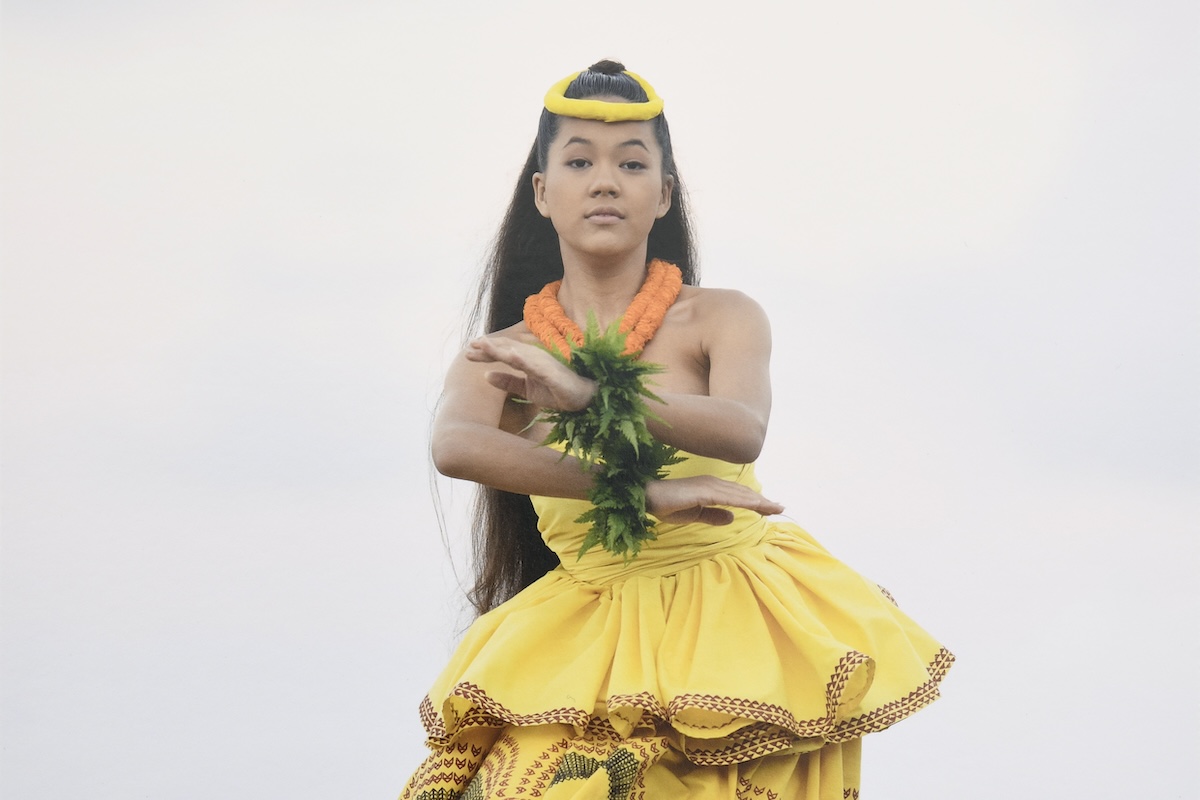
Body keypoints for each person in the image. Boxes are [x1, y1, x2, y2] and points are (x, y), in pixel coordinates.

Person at [400, 60, 952, 800]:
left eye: (632, 163)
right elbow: (456, 445)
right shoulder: (508, 353)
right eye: (579, 162)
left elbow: (741, 429)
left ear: (663, 194)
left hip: (744, 629)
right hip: (587, 636)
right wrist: (643, 491)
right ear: (543, 192)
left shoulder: (720, 317)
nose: (606, 181)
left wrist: (591, 395)